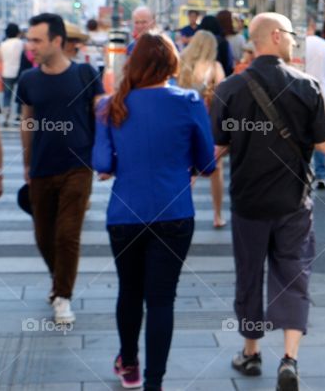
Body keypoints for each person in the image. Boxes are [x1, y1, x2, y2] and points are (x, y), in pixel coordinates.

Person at [209, 13, 325, 390]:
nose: (296, 42)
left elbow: (216, 149)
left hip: (248, 201)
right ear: (276, 36)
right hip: (294, 200)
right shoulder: (307, 85)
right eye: (293, 36)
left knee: (249, 275)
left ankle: (250, 352)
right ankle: (290, 359)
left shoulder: (229, 89)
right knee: (294, 274)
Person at [94, 33, 215, 391]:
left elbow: (101, 162)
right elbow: (207, 162)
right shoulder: (189, 101)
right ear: (172, 64)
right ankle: (154, 383)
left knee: (129, 291)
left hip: (124, 213)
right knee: (162, 299)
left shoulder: (109, 105)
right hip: (174, 211)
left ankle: (128, 363)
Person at [18, 13, 105, 324]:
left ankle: (63, 296)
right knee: (44, 236)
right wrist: (26, 161)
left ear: (57, 41)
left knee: (67, 234)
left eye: (37, 40)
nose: (31, 46)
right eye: (29, 39)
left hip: (78, 165)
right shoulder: (28, 79)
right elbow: (27, 119)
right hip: (41, 165)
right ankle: (60, 281)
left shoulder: (85, 74)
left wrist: (104, 156)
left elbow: (101, 116)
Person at [177, 30, 227, 227]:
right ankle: (217, 215)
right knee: (216, 169)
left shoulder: (181, 64)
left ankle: (182, 212)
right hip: (207, 122)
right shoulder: (215, 67)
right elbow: (222, 97)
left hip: (184, 121)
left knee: (188, 169)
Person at [303, 19, 325, 190]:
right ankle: (321, 174)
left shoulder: (298, 46)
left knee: (302, 132)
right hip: (321, 92)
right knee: (320, 133)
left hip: (300, 92)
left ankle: (304, 173)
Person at [0, 23, 25, 126]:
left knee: (7, 95)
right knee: (21, 94)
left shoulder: (2, 45)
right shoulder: (22, 43)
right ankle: (19, 115)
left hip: (6, 72)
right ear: (17, 32)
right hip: (21, 72)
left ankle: (6, 116)